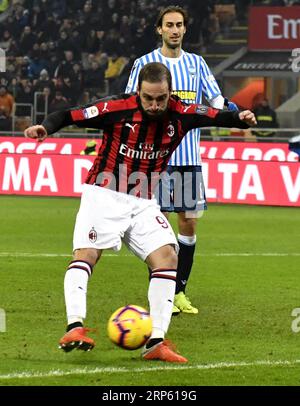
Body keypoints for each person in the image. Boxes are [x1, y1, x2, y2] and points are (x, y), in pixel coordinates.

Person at [24, 62, 256, 363]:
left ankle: (156, 341)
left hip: (144, 200)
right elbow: (68, 114)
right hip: (104, 193)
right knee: (87, 254)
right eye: (148, 98)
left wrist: (240, 117)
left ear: (169, 93)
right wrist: (46, 127)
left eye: (161, 98)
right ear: (139, 92)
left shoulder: (181, 113)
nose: (155, 105)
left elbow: (215, 114)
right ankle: (75, 327)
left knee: (168, 257)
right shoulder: (116, 108)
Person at [125, 5, 239, 315]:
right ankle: (159, 292)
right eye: (169, 25)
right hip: (155, 159)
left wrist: (236, 113)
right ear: (158, 29)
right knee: (155, 227)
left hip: (189, 158)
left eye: (179, 25)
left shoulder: (197, 64)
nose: (174, 30)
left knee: (188, 225)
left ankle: (178, 293)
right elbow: (127, 105)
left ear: (185, 29)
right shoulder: (144, 64)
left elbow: (216, 101)